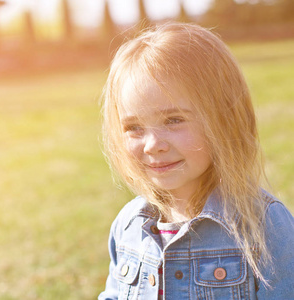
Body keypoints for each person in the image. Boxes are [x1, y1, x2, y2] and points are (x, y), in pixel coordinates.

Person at [98, 22, 294, 300]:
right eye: (134, 128)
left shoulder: (265, 225)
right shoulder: (129, 225)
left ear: (225, 119)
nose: (153, 145)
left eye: (173, 120)